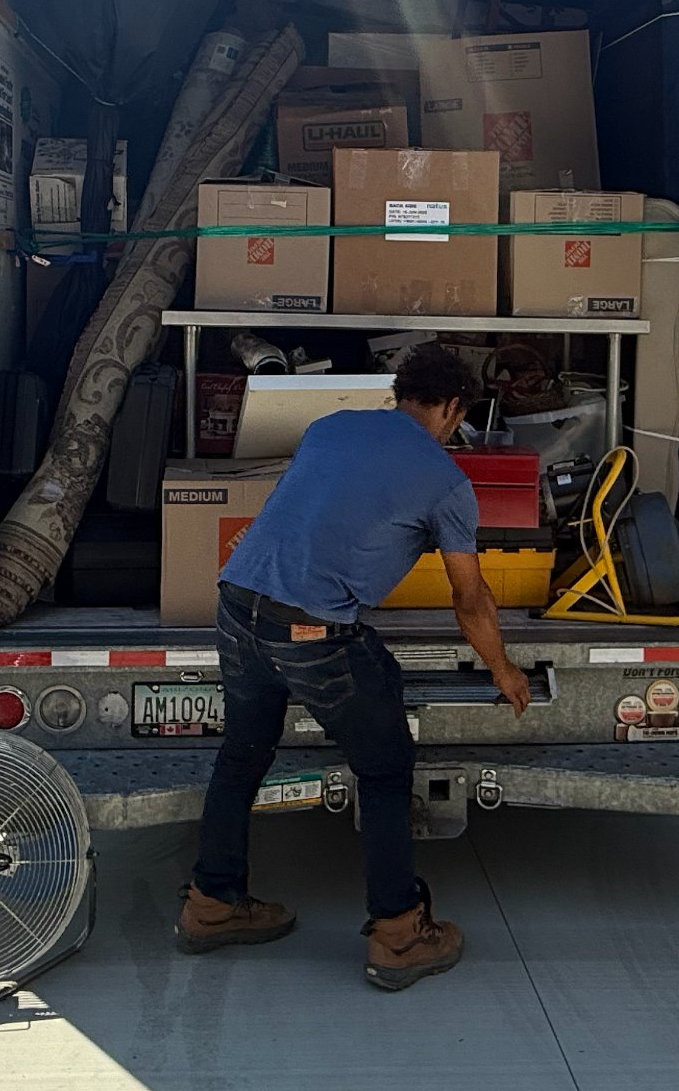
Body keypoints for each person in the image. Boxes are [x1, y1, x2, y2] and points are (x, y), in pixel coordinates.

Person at [175, 342, 530, 989]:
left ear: (401, 392)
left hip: (235, 605)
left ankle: (210, 906)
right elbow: (469, 596)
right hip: (310, 632)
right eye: (458, 418)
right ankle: (399, 936)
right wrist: (503, 669)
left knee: (242, 753)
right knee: (386, 767)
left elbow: (329, 508)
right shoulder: (447, 479)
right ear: (452, 407)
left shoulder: (330, 428)